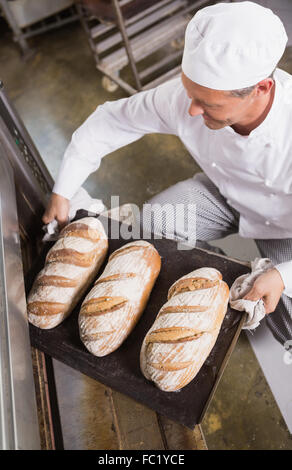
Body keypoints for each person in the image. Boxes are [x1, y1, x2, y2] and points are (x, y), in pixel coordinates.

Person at [42, 1, 292, 348]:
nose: (191, 109)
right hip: (225, 192)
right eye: (191, 94)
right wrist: (64, 189)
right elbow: (113, 119)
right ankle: (211, 289)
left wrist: (282, 274)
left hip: (286, 226)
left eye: (209, 104)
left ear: (261, 89)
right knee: (156, 224)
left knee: (284, 309)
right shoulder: (186, 99)